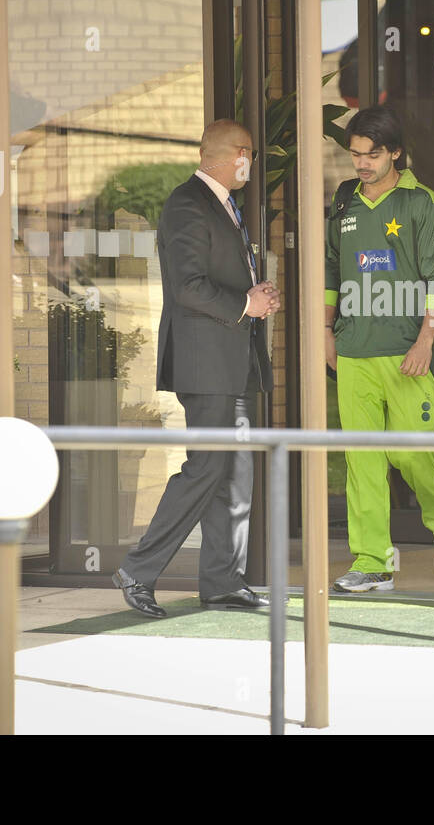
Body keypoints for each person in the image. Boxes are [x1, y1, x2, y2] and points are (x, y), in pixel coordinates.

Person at [112, 119, 279, 618]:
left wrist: (256, 297)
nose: (250, 160)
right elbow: (186, 285)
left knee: (232, 474)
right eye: (246, 151)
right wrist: (242, 305)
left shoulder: (225, 206)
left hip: (236, 360)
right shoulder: (188, 202)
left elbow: (226, 277)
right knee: (206, 467)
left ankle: (223, 580)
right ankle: (138, 569)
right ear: (221, 154)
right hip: (207, 364)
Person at [325, 106, 434, 592]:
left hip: (408, 351)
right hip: (353, 352)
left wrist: (427, 340)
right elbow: (330, 269)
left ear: (396, 153)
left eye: (372, 154)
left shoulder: (420, 202)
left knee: (414, 456)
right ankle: (373, 562)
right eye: (356, 155)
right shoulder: (344, 200)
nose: (362, 164)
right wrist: (327, 334)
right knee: (362, 461)